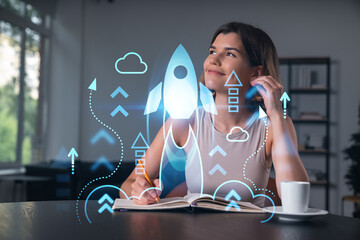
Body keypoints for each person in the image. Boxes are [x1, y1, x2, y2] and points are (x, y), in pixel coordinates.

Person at [120, 22, 309, 206]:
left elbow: (296, 202)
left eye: (229, 54)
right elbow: (127, 185)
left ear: (255, 73)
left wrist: (276, 115)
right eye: (212, 51)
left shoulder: (274, 126)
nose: (213, 60)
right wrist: (140, 192)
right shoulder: (184, 121)